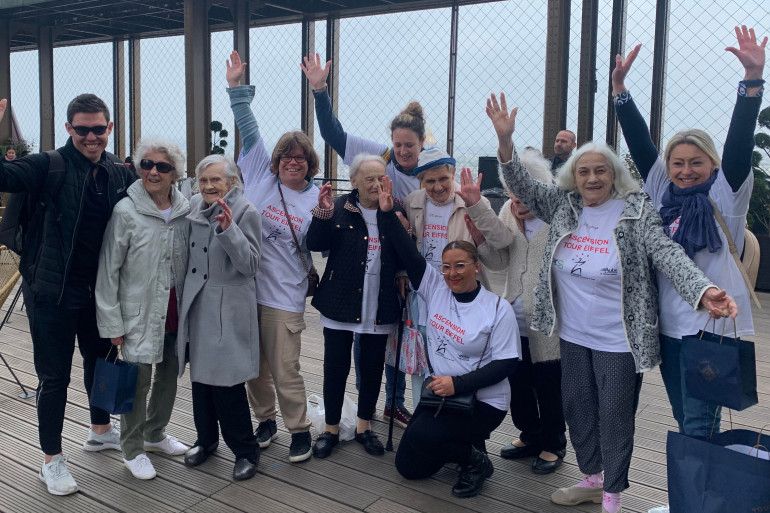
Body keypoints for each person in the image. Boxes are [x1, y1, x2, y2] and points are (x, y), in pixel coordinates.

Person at [487, 92, 739, 513]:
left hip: (619, 338)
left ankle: (612, 496)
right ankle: (593, 476)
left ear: (614, 174)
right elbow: (523, 187)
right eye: (583, 171)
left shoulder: (635, 211)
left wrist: (702, 290)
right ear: (573, 176)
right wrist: (506, 143)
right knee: (578, 409)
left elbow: (667, 253)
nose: (591, 178)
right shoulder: (564, 205)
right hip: (572, 334)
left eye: (600, 170)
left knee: (615, 416)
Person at [612, 25, 766, 438]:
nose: (685, 170)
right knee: (687, 420)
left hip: (712, 327)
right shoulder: (664, 196)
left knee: (699, 424)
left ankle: (699, 499)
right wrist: (620, 92)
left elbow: (738, 143)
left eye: (695, 162)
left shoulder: (726, 194)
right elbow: (643, 148)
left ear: (712, 165)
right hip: (670, 326)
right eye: (678, 163)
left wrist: (752, 82)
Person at [0, 95, 135, 496]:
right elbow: (4, 179)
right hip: (51, 292)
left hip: (100, 294)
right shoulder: (48, 165)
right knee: (54, 377)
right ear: (68, 129)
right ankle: (51, 460)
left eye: (99, 129)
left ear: (109, 128)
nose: (91, 137)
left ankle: (100, 429)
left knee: (103, 363)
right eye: (82, 129)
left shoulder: (118, 171)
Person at [375, 176, 519, 498]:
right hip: (441, 395)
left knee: (425, 436)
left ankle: (476, 461)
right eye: (446, 267)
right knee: (408, 468)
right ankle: (461, 444)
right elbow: (406, 251)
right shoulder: (435, 287)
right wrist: (386, 213)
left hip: (481, 401)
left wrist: (458, 384)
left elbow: (507, 364)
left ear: (477, 267)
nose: (452, 273)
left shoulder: (496, 309)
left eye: (460, 266)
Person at [302, 53, 424, 425]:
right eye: (397, 145)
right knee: (369, 345)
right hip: (365, 273)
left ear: (422, 143)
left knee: (395, 341)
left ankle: (393, 400)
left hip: (415, 266)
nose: (402, 152)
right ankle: (380, 407)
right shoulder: (376, 159)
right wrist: (320, 91)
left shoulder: (430, 171)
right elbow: (332, 133)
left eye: (410, 146)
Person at [226, 50, 316, 462]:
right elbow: (249, 127)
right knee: (253, 369)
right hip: (247, 291)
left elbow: (329, 240)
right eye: (286, 156)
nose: (292, 162)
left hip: (284, 297)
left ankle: (299, 429)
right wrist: (236, 91)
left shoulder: (317, 197)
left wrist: (329, 216)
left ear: (309, 163)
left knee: (285, 370)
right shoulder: (260, 176)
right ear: (276, 162)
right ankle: (265, 420)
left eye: (300, 157)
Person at [464, 148, 567, 475]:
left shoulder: (558, 217)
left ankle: (553, 443)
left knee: (549, 385)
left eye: (522, 190)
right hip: (513, 320)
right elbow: (499, 261)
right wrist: (480, 240)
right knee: (517, 385)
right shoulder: (508, 210)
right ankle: (530, 434)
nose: (515, 198)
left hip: (549, 324)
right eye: (511, 190)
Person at [95, 139, 190, 480]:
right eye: (147, 164)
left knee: (168, 377)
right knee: (137, 383)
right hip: (138, 312)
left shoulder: (185, 210)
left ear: (175, 173)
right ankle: (131, 448)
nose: (153, 172)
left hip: (176, 312)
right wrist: (112, 323)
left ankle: (155, 434)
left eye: (162, 167)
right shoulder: (126, 211)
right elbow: (109, 271)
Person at [306, 154, 405, 459]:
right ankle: (331, 429)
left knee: (372, 367)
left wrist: (401, 271)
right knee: (335, 367)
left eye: (381, 178)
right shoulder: (337, 207)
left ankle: (364, 427)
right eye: (369, 179)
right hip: (340, 300)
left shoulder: (395, 210)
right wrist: (321, 215)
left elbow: (403, 251)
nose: (376, 184)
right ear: (354, 182)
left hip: (380, 302)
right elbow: (314, 243)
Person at [177, 154, 262, 481]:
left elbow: (251, 265)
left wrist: (229, 231)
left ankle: (246, 450)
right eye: (204, 179)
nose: (210, 185)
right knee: (201, 380)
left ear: (232, 182)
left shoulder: (245, 211)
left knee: (227, 382)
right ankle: (207, 440)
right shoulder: (194, 206)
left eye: (217, 180)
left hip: (228, 304)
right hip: (198, 302)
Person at [403, 147, 497, 406]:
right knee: (423, 361)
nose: (437, 187)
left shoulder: (472, 202)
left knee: (461, 359)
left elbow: (493, 251)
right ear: (420, 181)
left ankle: (465, 428)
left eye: (443, 178)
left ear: (453, 172)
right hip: (423, 296)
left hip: (460, 296)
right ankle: (422, 418)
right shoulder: (413, 201)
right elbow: (407, 244)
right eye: (430, 181)